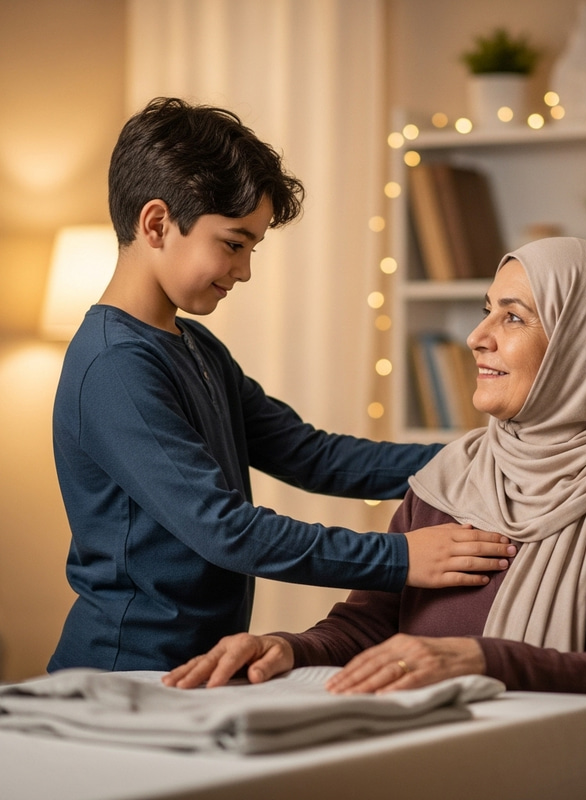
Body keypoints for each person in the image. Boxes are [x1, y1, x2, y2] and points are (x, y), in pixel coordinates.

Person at [47, 97, 516, 675]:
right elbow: (225, 530)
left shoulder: (196, 347)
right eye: (234, 244)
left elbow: (313, 456)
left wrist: (475, 458)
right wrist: (399, 558)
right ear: (157, 224)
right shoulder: (115, 366)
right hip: (122, 673)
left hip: (194, 668)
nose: (243, 271)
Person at [164, 237, 586, 700]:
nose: (477, 338)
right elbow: (367, 626)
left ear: (584, 347)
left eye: (513, 318)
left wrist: (481, 660)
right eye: (487, 312)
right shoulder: (453, 475)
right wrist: (290, 647)